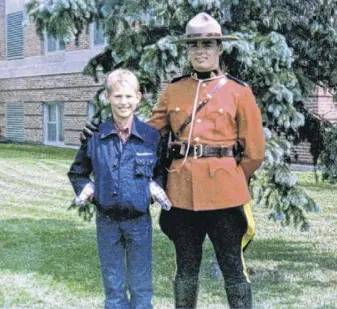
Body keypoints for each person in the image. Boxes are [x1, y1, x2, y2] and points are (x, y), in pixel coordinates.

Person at [81, 12, 265, 309]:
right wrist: (104, 130)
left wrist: (228, 176)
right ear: (187, 50)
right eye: (194, 45)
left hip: (226, 195)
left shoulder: (238, 92)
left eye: (208, 44)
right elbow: (147, 135)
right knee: (186, 267)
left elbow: (254, 151)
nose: (201, 51)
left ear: (219, 48)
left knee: (233, 267)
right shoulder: (174, 90)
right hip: (182, 195)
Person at [68, 69, 164, 309]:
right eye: (118, 96)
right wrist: (90, 191)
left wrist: (153, 191)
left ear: (138, 98)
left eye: (129, 96)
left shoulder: (151, 136)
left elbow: (162, 171)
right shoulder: (95, 136)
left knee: (141, 285)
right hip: (107, 221)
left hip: (139, 221)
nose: (124, 102)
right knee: (113, 285)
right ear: (107, 98)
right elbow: (77, 172)